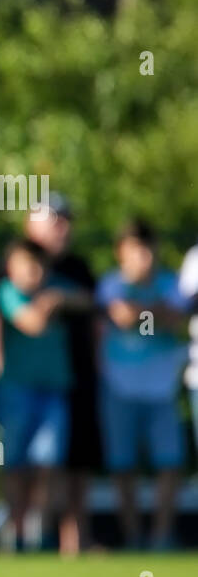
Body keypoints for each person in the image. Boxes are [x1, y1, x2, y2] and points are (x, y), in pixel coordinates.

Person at [0, 239, 90, 552]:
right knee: (15, 464)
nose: (33, 272)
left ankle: (41, 530)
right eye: (25, 265)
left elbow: (88, 300)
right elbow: (32, 323)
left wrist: (59, 296)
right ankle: (15, 531)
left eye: (38, 265)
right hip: (16, 389)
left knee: (48, 463)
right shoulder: (7, 291)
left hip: (54, 388)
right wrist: (50, 302)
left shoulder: (58, 286)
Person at [98, 219, 188, 549]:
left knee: (170, 462)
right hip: (119, 386)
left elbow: (172, 318)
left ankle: (161, 536)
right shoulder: (110, 284)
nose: (144, 258)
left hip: (162, 388)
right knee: (123, 465)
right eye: (136, 250)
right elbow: (121, 315)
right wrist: (154, 312)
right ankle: (133, 537)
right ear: (120, 252)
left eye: (149, 250)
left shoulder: (170, 283)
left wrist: (140, 312)